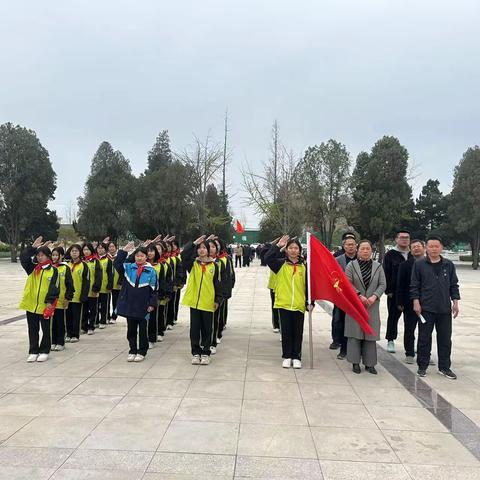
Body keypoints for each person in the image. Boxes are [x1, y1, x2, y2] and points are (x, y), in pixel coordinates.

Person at [411, 235, 460, 379]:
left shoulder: (448, 265)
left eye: (436, 246)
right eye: (430, 246)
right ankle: (422, 366)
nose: (433, 249)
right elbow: (414, 285)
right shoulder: (419, 264)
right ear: (426, 248)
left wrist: (455, 302)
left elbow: (454, 285)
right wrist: (416, 302)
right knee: (424, 338)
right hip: (426, 308)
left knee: (445, 339)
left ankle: (444, 367)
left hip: (444, 309)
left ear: (441, 248)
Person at [265, 235, 313, 369]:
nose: (293, 250)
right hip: (283, 304)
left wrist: (311, 302)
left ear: (299, 250)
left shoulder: (304, 267)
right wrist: (278, 245)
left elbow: (309, 286)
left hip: (298, 305)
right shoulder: (280, 264)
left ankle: (296, 356)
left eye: (295, 248)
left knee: (298, 332)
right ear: (286, 250)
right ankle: (286, 356)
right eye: (290, 248)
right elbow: (268, 258)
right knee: (286, 332)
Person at [345, 240, 386, 374]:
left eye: (368, 248)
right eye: (362, 248)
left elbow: (382, 284)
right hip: (356, 304)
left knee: (370, 334)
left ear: (371, 250)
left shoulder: (378, 266)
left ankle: (370, 364)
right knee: (355, 334)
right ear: (358, 250)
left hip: (372, 305)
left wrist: (374, 296)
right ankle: (355, 362)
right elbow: (347, 282)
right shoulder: (351, 265)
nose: (365, 251)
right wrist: (359, 296)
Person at [181, 235, 224, 365]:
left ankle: (205, 352)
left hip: (208, 302)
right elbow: (183, 256)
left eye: (204, 248)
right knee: (194, 329)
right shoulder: (193, 264)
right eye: (199, 248)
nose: (201, 250)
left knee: (207, 329)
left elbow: (218, 285)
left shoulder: (215, 265)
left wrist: (217, 300)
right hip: (194, 302)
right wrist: (193, 243)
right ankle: (195, 352)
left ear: (209, 250)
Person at [114, 242, 158, 362]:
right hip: (130, 304)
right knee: (131, 329)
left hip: (143, 306)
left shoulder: (151, 271)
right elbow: (117, 264)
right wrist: (123, 251)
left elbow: (154, 289)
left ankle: (142, 351)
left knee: (143, 330)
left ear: (146, 257)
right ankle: (132, 350)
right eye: (137, 255)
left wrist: (152, 304)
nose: (139, 258)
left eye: (142, 256)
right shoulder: (129, 268)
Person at [19, 236, 59, 363]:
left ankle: (44, 350)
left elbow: (54, 288)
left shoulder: (53, 271)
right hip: (31, 304)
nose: (39, 257)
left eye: (42, 255)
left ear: (48, 256)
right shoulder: (33, 269)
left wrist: (49, 303)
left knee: (46, 329)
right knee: (32, 328)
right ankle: (33, 350)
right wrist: (32, 248)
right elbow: (24, 259)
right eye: (38, 255)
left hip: (44, 305)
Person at [395, 239, 426, 364]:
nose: (416, 249)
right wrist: (399, 302)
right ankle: (409, 353)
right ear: (410, 250)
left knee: (425, 330)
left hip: (427, 303)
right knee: (409, 329)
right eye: (413, 247)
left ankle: (424, 353)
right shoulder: (405, 265)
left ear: (423, 248)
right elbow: (400, 285)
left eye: (418, 246)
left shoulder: (430, 264)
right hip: (409, 303)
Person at [383, 230, 412, 353]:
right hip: (394, 293)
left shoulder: (413, 254)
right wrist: (388, 291)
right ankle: (390, 340)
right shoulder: (390, 255)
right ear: (396, 239)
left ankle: (410, 344)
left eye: (407, 237)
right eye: (402, 237)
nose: (404, 240)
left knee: (410, 321)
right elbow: (386, 273)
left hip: (411, 294)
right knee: (393, 318)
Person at [331, 236, 357, 359]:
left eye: (352, 244)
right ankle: (342, 348)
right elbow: (334, 277)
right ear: (344, 246)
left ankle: (357, 350)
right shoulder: (337, 260)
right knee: (340, 322)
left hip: (358, 297)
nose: (350, 246)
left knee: (356, 324)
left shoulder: (361, 259)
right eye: (348, 244)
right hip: (342, 297)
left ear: (356, 245)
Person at [51, 246, 74, 351]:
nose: (54, 257)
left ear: (62, 256)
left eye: (57, 255)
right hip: (50, 301)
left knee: (60, 322)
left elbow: (70, 285)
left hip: (61, 300)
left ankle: (60, 342)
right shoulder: (50, 267)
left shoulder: (65, 268)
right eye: (53, 255)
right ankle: (53, 341)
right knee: (52, 323)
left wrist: (67, 298)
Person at [65, 244, 89, 342]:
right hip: (67, 296)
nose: (74, 253)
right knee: (68, 316)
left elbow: (86, 281)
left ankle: (75, 335)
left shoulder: (84, 265)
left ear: (80, 253)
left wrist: (83, 295)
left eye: (76, 251)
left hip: (78, 296)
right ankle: (68, 334)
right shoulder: (66, 265)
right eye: (72, 251)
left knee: (77, 316)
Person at [81, 243, 102, 335]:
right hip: (83, 291)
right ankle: (84, 326)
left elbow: (98, 276)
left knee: (93, 309)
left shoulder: (95, 261)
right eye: (84, 249)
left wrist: (95, 288)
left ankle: (91, 326)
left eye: (88, 250)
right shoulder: (81, 261)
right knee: (84, 310)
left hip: (92, 290)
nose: (86, 252)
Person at [96, 242, 114, 329]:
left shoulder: (108, 260)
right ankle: (96, 321)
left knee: (104, 305)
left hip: (104, 286)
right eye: (98, 248)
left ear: (105, 249)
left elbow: (111, 274)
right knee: (95, 305)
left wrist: (110, 285)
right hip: (95, 287)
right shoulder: (94, 259)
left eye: (102, 248)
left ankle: (104, 320)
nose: (100, 249)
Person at [107, 241, 121, 323]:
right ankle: (107, 316)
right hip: (108, 283)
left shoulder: (119, 257)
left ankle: (114, 316)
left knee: (115, 301)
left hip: (116, 283)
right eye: (110, 247)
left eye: (113, 246)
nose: (111, 248)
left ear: (116, 247)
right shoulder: (106, 257)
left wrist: (120, 282)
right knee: (107, 301)